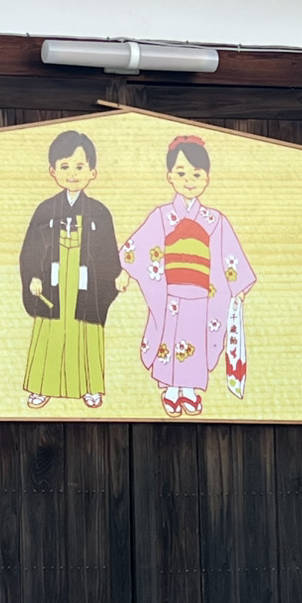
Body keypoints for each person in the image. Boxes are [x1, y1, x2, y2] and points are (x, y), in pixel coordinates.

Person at [119, 135, 255, 417]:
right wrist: (126, 272)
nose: (188, 180)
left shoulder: (215, 220)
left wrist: (238, 286)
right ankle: (170, 388)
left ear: (207, 178)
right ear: (170, 177)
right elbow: (140, 246)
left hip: (202, 294)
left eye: (196, 174)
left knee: (196, 337)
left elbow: (229, 257)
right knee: (169, 338)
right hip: (169, 292)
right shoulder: (161, 216)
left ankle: (190, 390)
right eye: (181, 173)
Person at [20, 130, 125, 409]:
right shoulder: (45, 210)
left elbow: (108, 253)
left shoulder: (100, 212)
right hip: (52, 282)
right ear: (53, 170)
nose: (73, 173)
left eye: (80, 166)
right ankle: (41, 386)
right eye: (65, 166)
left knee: (85, 332)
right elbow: (31, 248)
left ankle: (90, 387)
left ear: (93, 171)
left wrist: (116, 276)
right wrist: (32, 276)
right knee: (51, 331)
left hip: (86, 284)